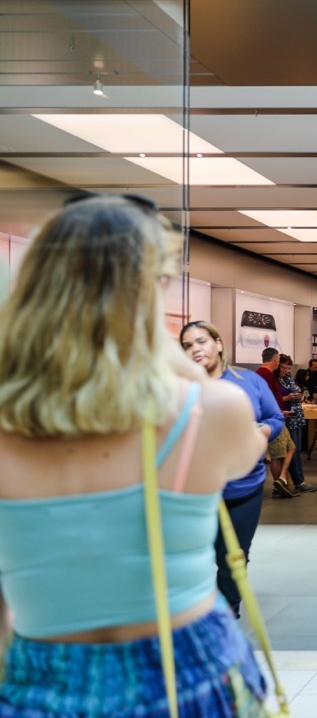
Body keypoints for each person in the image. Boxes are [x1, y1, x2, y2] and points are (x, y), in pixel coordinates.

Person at [0, 196, 271, 716]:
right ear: (149, 289)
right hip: (188, 667)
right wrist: (175, 356)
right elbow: (247, 457)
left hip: (42, 672)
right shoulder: (210, 408)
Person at [180, 320, 283, 617]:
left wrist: (261, 432)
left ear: (218, 343)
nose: (195, 349)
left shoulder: (249, 381)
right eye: (187, 345)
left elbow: (275, 419)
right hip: (196, 490)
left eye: (201, 341)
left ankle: (226, 614)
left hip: (243, 487)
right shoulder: (180, 387)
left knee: (234, 557)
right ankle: (198, 613)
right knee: (197, 558)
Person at [256, 347, 297, 498]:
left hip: (275, 416)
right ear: (275, 359)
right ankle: (279, 484)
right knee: (278, 453)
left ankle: (282, 479)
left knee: (290, 448)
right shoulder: (266, 374)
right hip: (272, 420)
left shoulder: (263, 374)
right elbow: (266, 397)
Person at [277, 353, 317, 493]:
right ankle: (298, 481)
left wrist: (297, 396)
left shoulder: (288, 379)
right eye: (284, 367)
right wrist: (288, 397)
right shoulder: (275, 380)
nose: (286, 370)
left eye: (288, 368)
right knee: (291, 450)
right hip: (286, 417)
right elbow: (275, 399)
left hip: (296, 416)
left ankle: (299, 480)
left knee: (297, 449)